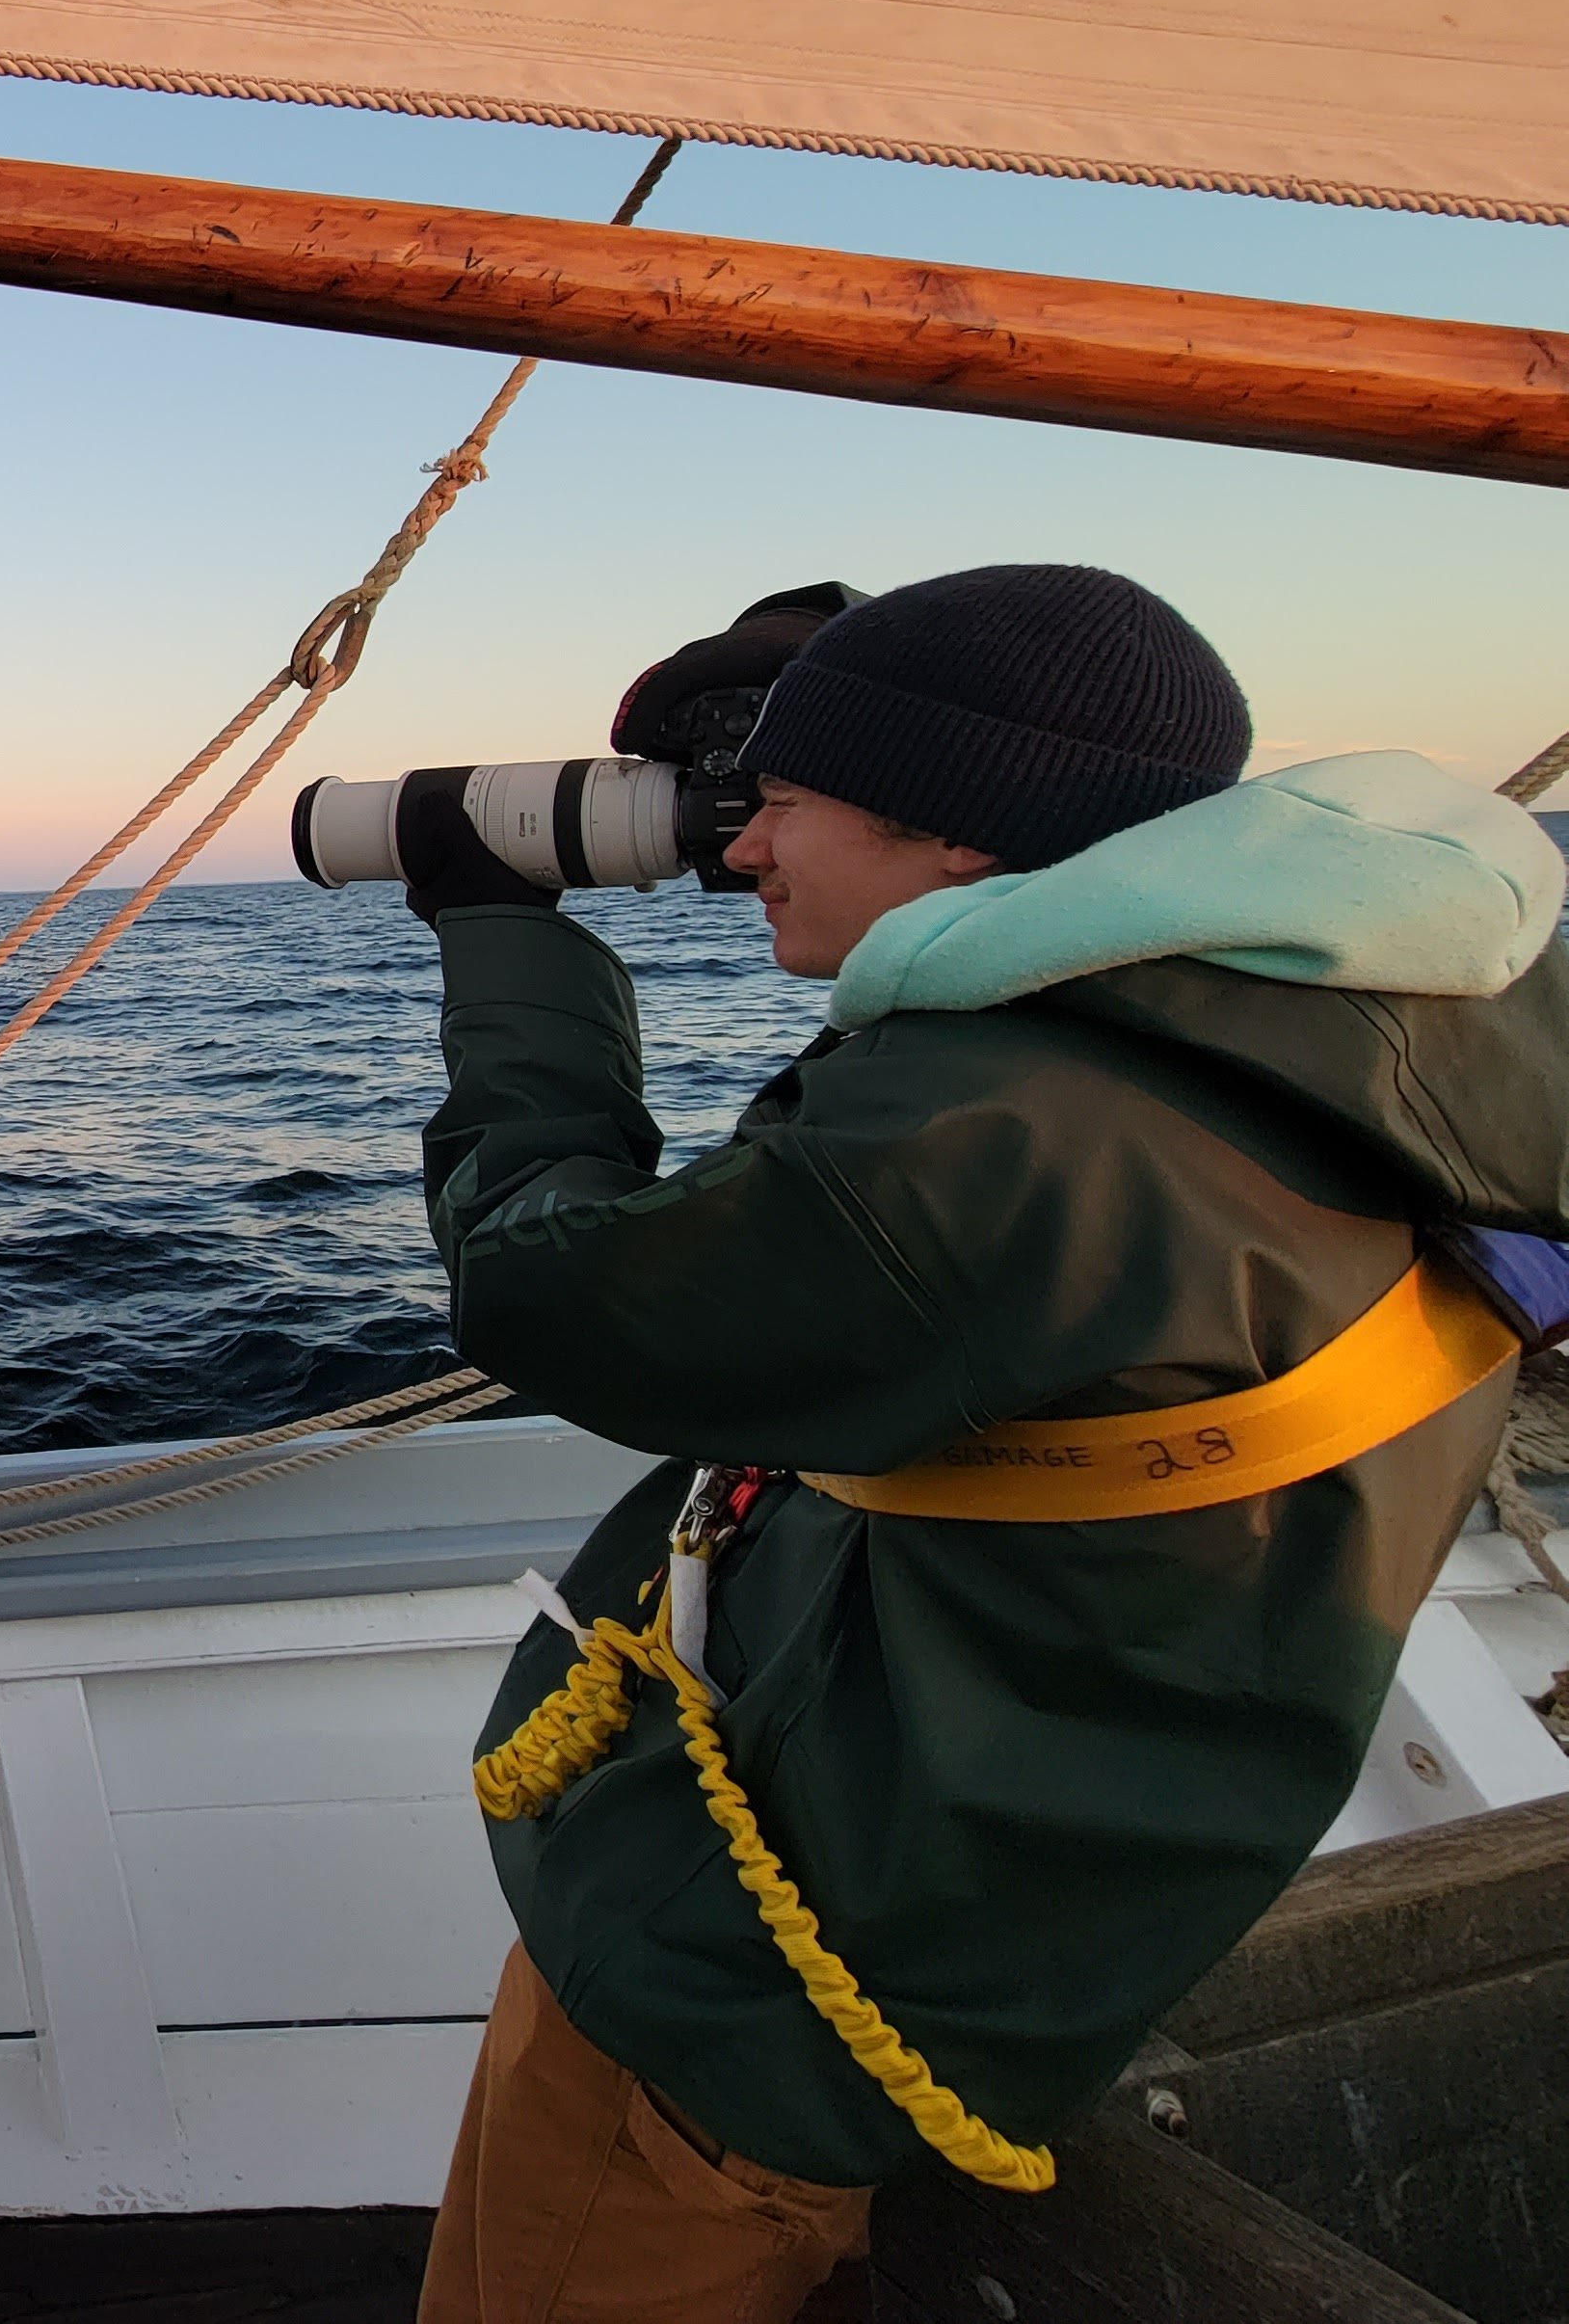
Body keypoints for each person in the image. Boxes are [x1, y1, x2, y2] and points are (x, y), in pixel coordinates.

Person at [393, 564, 1569, 2324]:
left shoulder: (986, 1137)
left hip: (785, 1973)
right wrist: (867, 704)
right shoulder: (1382, 997)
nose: (731, 851)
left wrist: (498, 934)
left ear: (960, 835)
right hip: (1063, 1879)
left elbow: (541, 1291)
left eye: (774, 806)